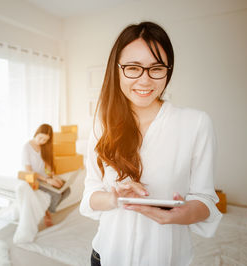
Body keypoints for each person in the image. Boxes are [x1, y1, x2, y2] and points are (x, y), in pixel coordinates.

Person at [79, 21, 222, 266]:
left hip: (166, 257)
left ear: (168, 69)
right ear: (117, 69)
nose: (145, 80)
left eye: (156, 68)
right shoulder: (101, 126)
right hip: (106, 255)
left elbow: (206, 199)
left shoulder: (196, 123)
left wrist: (184, 214)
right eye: (133, 68)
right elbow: (90, 195)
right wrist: (114, 199)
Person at [22, 123, 70, 226]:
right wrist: (47, 180)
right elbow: (28, 171)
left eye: (45, 140)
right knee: (56, 194)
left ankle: (48, 209)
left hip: (46, 177)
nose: (42, 142)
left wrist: (53, 176)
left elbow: (47, 168)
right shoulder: (27, 147)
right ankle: (47, 213)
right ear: (36, 133)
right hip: (35, 179)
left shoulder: (44, 147)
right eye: (40, 138)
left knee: (66, 190)